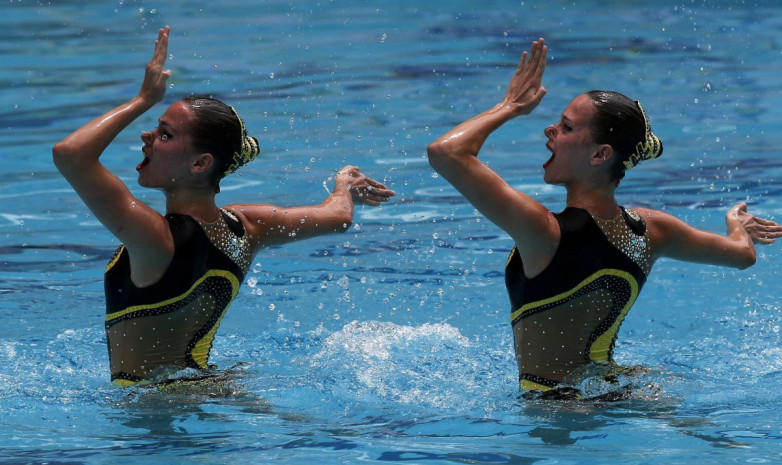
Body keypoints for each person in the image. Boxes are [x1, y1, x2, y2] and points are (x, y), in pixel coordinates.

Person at [427, 38, 782, 396]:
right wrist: (738, 225)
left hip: (558, 414)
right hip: (623, 387)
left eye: (566, 127)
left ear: (600, 155)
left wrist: (510, 106)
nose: (550, 130)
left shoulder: (544, 232)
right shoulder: (652, 230)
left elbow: (446, 152)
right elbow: (743, 255)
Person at [52, 26, 395, 387]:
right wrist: (345, 184)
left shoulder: (155, 238)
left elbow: (71, 155)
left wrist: (143, 99)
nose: (147, 136)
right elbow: (338, 217)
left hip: (155, 414)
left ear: (200, 164)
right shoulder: (248, 225)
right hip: (214, 388)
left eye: (165, 134)